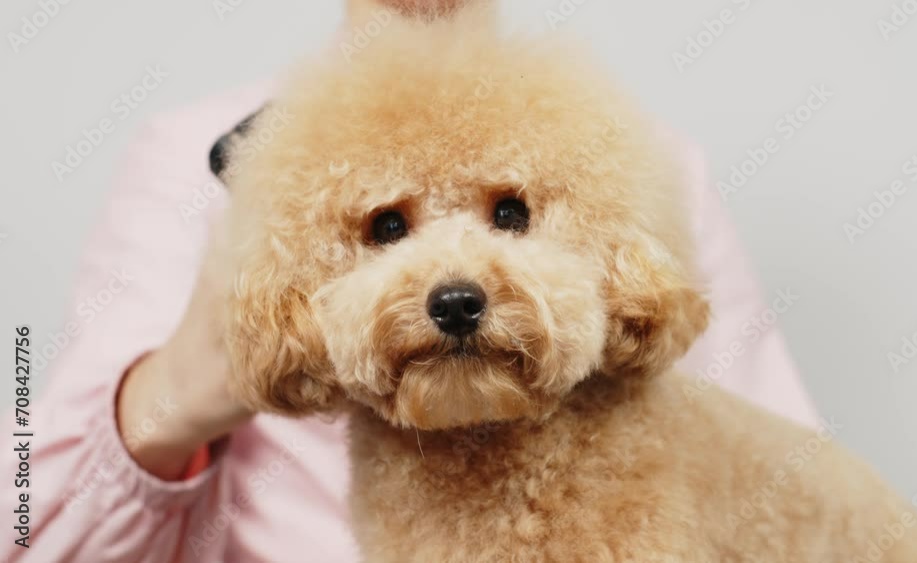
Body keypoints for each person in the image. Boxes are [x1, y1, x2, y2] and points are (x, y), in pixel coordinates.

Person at [2, 0, 818, 560]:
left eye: (511, 213)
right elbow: (20, 523)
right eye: (386, 225)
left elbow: (791, 501)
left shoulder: (645, 166)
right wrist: (180, 386)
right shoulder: (189, 164)